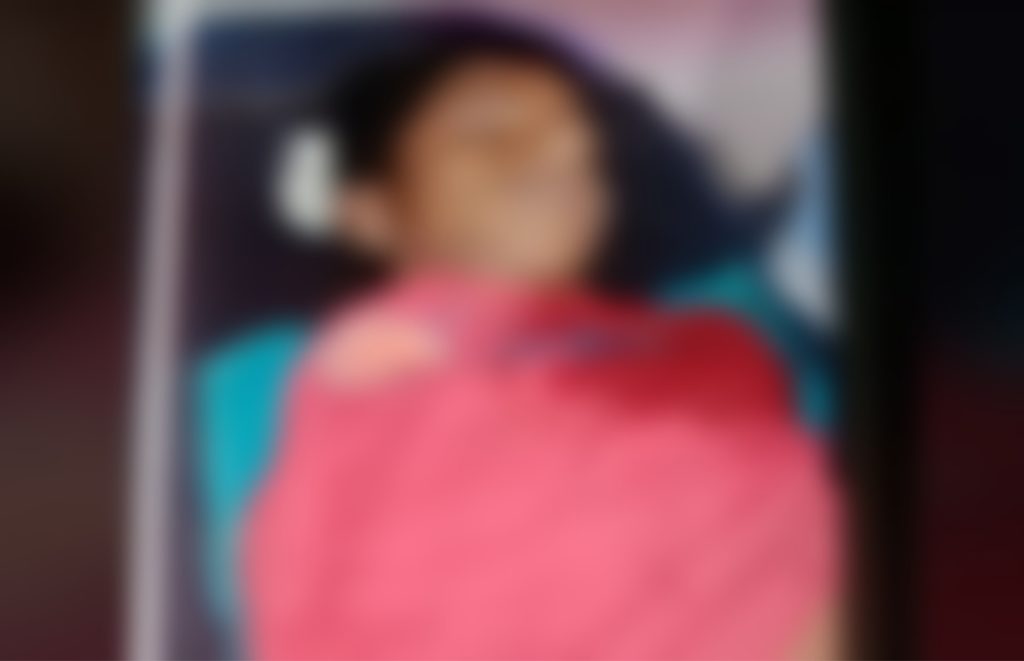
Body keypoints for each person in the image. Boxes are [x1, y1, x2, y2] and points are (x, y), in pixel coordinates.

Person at [235, 21, 841, 660]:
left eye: (583, 141)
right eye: (490, 130)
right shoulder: (374, 352)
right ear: (372, 214)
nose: (561, 150)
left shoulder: (709, 342)